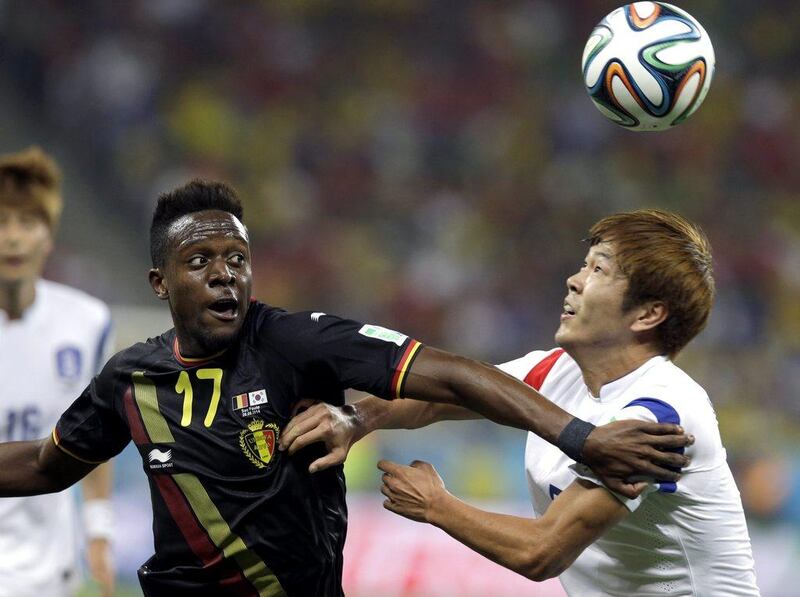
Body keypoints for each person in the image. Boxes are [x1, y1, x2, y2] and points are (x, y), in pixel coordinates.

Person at [0, 180, 690, 596]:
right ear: (160, 284)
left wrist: (581, 437)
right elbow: (45, 463)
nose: (224, 274)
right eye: (200, 261)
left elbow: (453, 373)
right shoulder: (131, 375)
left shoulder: (297, 344)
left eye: (237, 258)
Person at [281, 209, 760, 596]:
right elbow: (444, 394)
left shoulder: (659, 416)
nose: (574, 280)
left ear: (649, 313)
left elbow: (542, 552)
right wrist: (357, 417)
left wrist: (437, 505)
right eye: (584, 263)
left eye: (599, 270)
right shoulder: (557, 371)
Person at [0, 147, 115, 597]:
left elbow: (96, 435)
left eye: (27, 224)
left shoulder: (87, 323)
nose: (12, 238)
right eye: (2, 222)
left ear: (48, 237)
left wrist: (99, 532)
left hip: (51, 567)